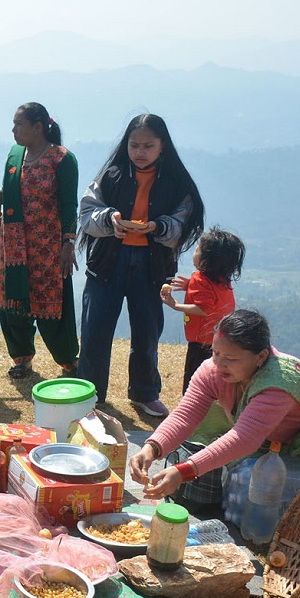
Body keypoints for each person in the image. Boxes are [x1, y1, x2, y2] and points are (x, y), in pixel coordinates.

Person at [128, 309, 300, 510]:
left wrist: (184, 471)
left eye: (230, 358)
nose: (219, 363)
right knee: (207, 416)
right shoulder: (212, 371)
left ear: (261, 357)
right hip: (269, 438)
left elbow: (243, 438)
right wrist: (151, 448)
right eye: (216, 353)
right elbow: (185, 415)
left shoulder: (279, 382)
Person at [75, 113, 205, 417]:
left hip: (151, 268)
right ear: (127, 145)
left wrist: (158, 228)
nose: (140, 152)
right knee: (95, 332)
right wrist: (110, 220)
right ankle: (91, 394)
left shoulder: (175, 183)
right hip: (108, 263)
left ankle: (145, 392)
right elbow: (86, 214)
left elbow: (184, 221)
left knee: (147, 332)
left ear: (163, 146)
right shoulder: (111, 176)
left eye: (148, 145)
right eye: (135, 145)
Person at [0, 102, 80, 379]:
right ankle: (22, 359)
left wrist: (68, 243)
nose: (13, 130)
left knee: (52, 304)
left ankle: (69, 362)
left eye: (19, 124)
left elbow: (68, 204)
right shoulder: (15, 156)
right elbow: (10, 196)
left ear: (38, 127)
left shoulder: (62, 159)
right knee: (12, 303)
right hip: (13, 246)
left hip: (47, 248)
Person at [161, 226, 245, 392]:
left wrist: (176, 305)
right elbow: (212, 298)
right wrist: (189, 286)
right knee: (215, 378)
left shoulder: (200, 278)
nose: (194, 252)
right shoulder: (222, 279)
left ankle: (190, 407)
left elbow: (204, 308)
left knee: (194, 380)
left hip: (200, 341)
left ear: (208, 259)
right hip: (220, 338)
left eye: (197, 249)